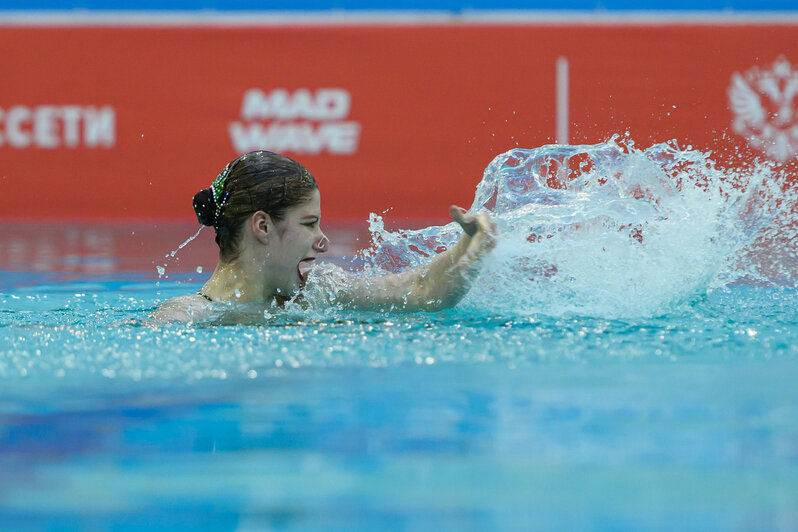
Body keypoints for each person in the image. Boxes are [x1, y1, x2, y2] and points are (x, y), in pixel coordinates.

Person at [151, 151, 497, 324]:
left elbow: (422, 292)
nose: (323, 241)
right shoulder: (186, 317)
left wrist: (471, 249)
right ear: (263, 226)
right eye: (309, 223)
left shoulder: (320, 292)